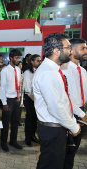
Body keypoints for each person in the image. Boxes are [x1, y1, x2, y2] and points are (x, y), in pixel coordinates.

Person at [33, 33, 86, 169]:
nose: (70, 51)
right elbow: (55, 107)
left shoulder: (54, 70)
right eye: (68, 48)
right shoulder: (47, 73)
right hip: (52, 130)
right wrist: (73, 126)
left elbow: (64, 100)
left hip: (57, 128)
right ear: (57, 51)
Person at [61, 38, 87, 169]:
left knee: (73, 151)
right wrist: (81, 114)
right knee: (65, 151)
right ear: (72, 50)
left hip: (81, 112)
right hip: (70, 112)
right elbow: (66, 97)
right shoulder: (64, 70)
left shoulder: (83, 71)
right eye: (82, 48)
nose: (85, 51)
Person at [0, 49, 23, 152]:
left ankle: (13, 141)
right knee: (5, 123)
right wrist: (4, 103)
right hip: (8, 100)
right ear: (11, 58)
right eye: (16, 58)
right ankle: (3, 143)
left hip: (17, 99)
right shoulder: (5, 70)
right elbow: (2, 88)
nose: (18, 60)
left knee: (15, 122)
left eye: (19, 58)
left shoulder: (18, 70)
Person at [23, 54, 41, 147]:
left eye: (40, 60)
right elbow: (28, 88)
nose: (39, 62)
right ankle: (28, 138)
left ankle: (33, 135)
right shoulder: (27, 73)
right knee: (29, 118)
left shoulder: (40, 71)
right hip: (30, 98)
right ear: (32, 62)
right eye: (37, 60)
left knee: (35, 119)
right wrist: (35, 99)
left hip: (38, 99)